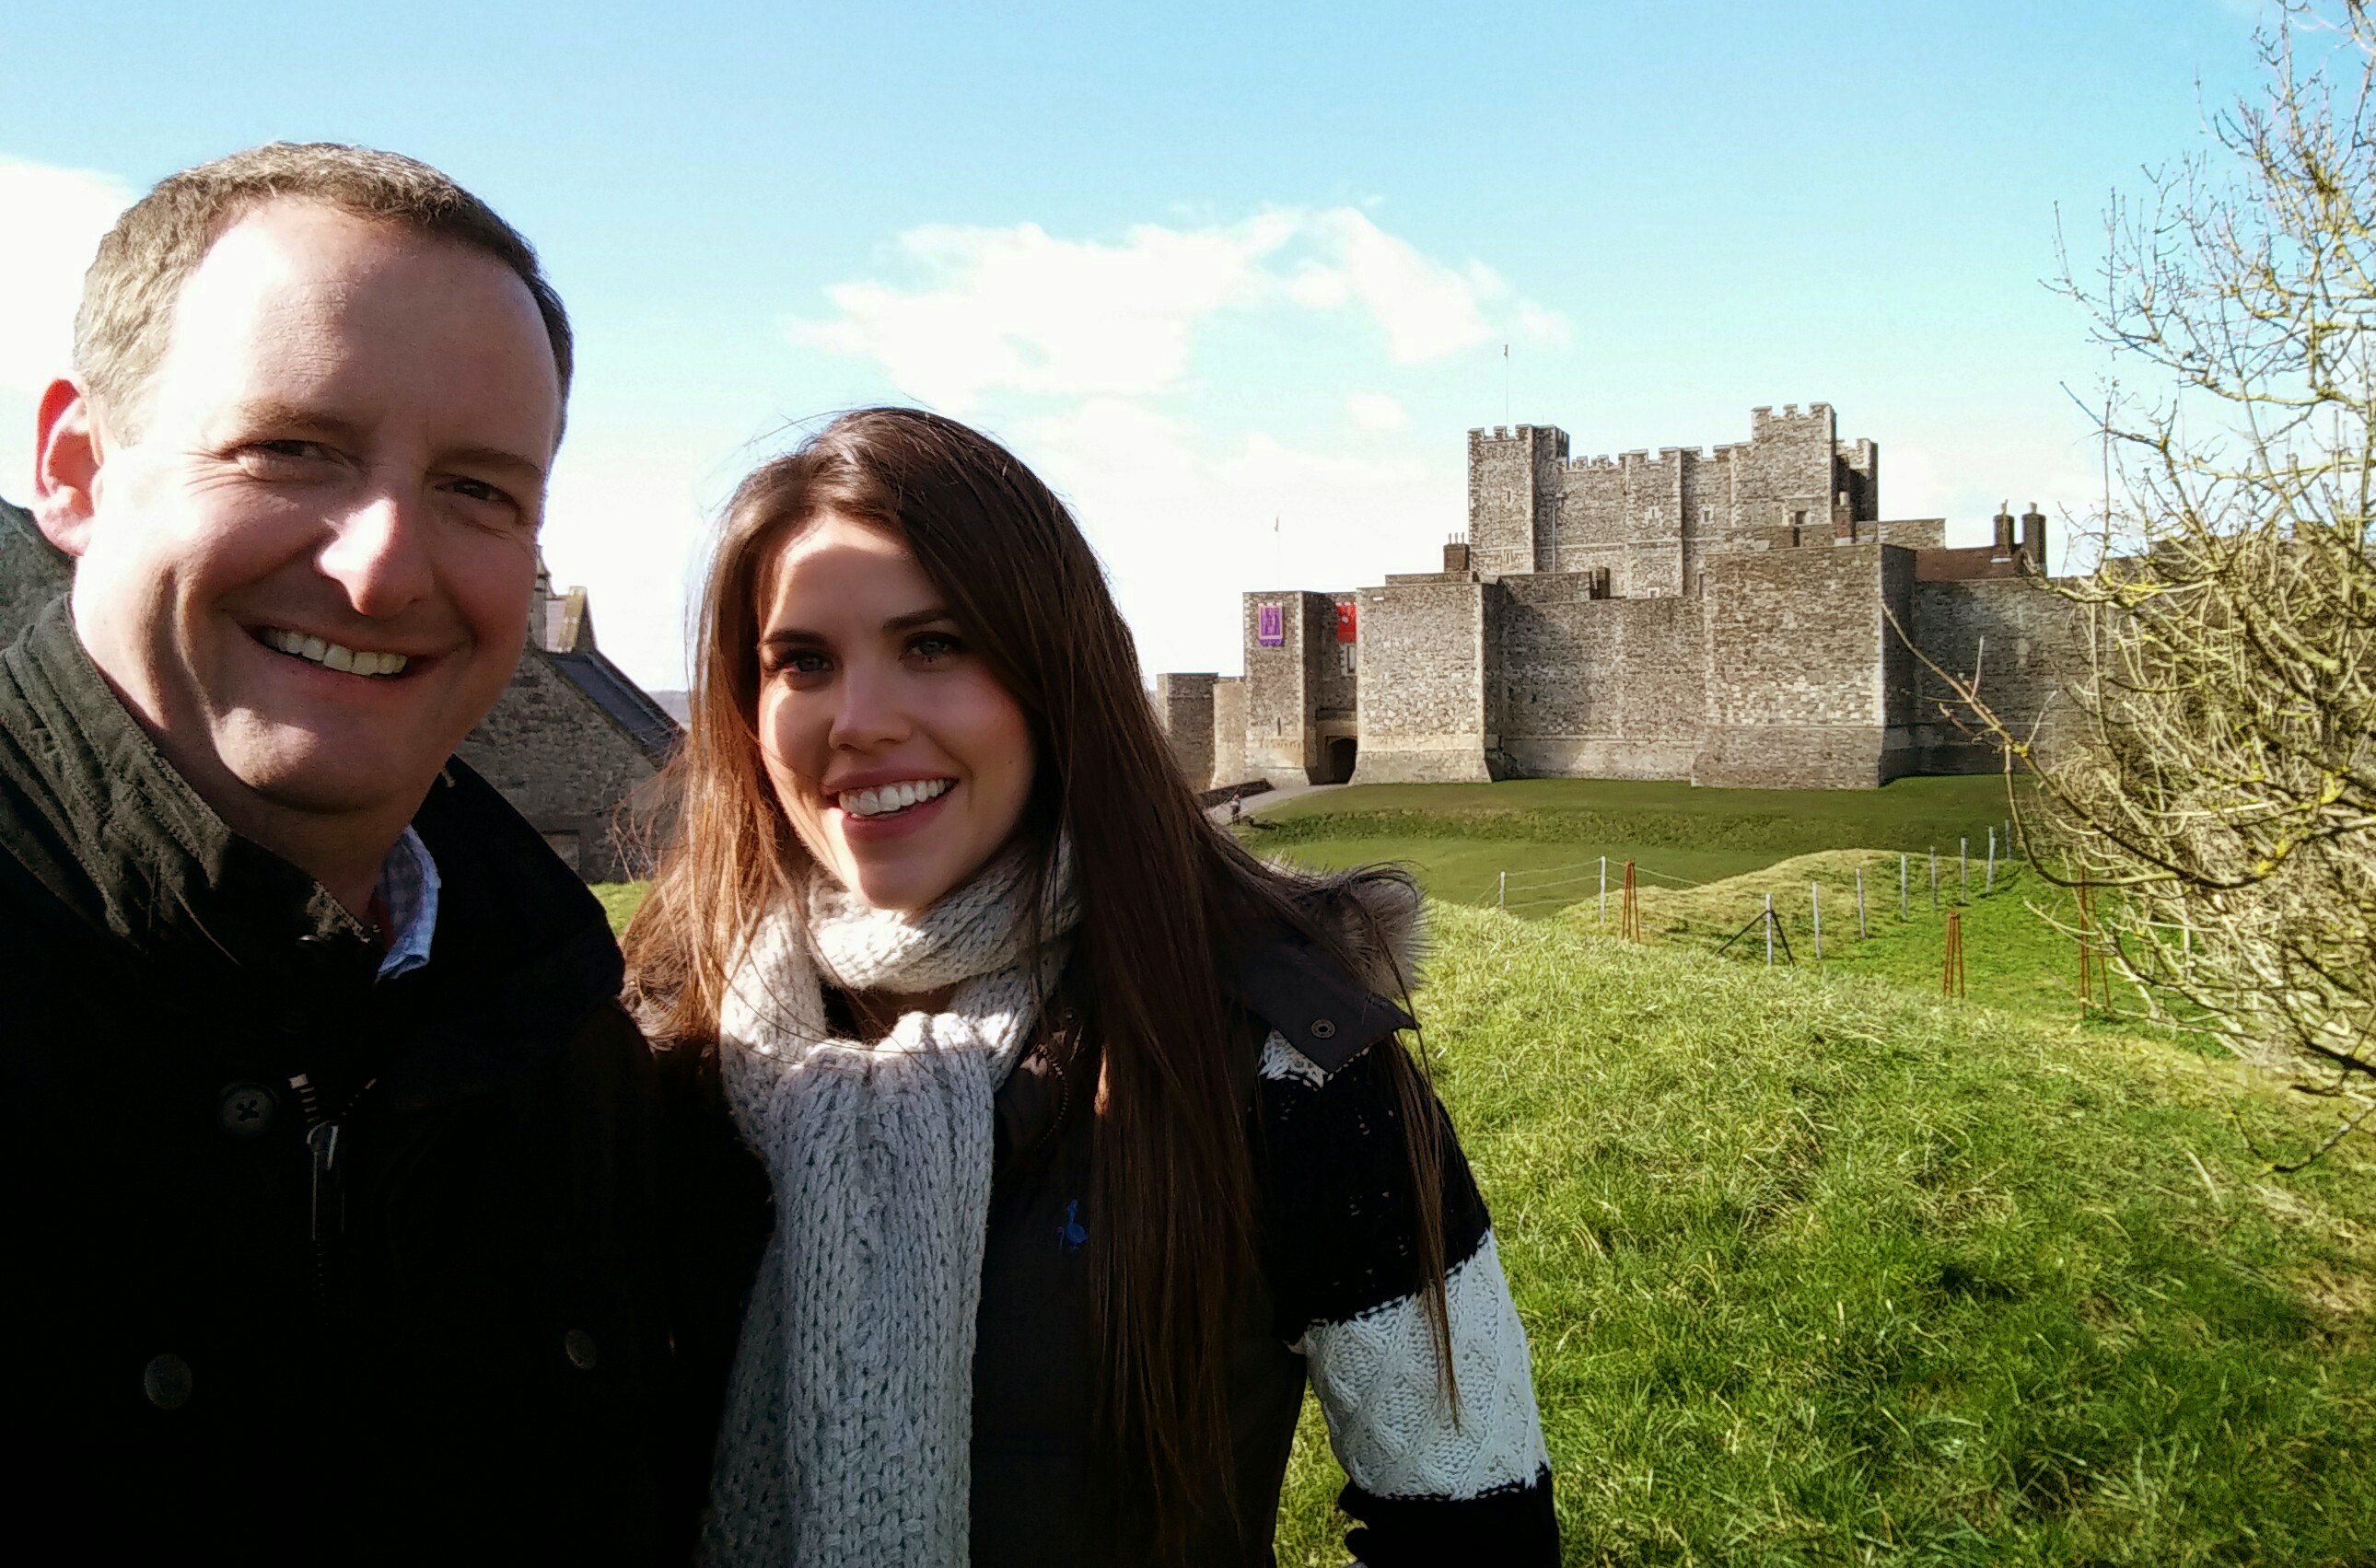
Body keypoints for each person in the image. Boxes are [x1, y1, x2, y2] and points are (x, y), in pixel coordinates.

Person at [627, 408, 1561, 1567]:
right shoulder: (656, 1042)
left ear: (1054, 673)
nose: (858, 723)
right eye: (803, 661)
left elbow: (1476, 1520)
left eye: (935, 645)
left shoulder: (1288, 1060)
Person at [0, 144, 671, 1558]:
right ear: (75, 470)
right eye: (291, 447)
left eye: (481, 490)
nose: (382, 567)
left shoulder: (557, 1039)